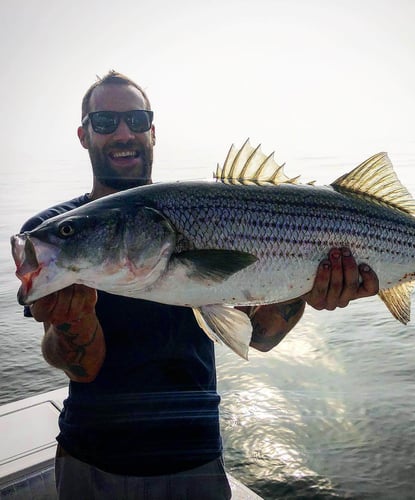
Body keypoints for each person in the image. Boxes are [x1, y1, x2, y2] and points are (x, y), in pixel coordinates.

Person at [21, 71, 379, 499]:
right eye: (105, 122)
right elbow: (83, 367)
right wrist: (70, 321)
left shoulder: (194, 207)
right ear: (84, 135)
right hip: (93, 457)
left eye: (136, 120)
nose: (122, 133)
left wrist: (304, 290)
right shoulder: (47, 233)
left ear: (152, 132)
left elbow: (261, 337)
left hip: (196, 459)